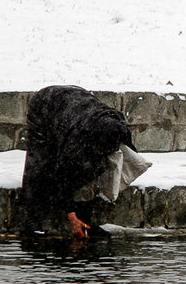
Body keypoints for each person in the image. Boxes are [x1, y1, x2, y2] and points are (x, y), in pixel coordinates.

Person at [20, 85, 149, 239]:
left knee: (93, 167)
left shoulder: (119, 127)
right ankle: (32, 222)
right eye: (107, 148)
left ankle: (86, 222)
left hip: (76, 101)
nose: (109, 151)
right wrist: (71, 217)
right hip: (46, 105)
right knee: (42, 164)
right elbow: (64, 176)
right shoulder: (77, 141)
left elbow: (125, 153)